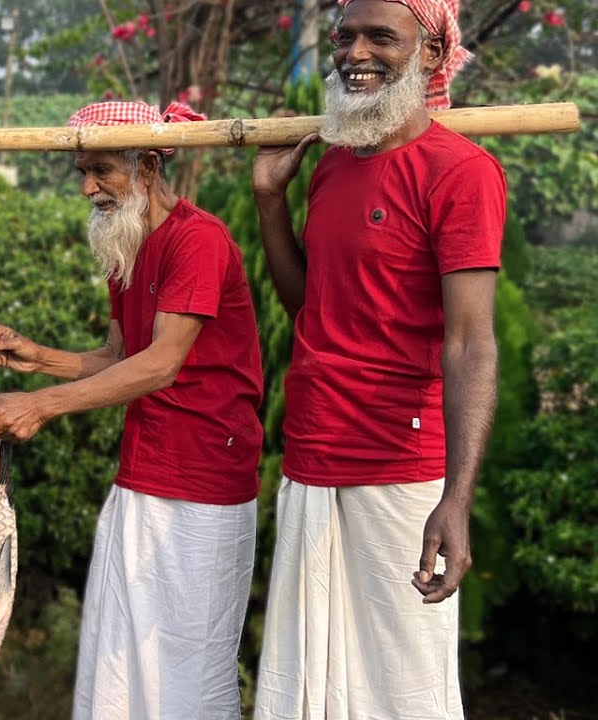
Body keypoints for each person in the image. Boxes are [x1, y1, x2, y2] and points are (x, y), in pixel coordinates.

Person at [250, 0, 505, 717]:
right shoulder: (333, 164)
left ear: (430, 54)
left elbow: (471, 342)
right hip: (312, 459)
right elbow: (313, 307)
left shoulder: (462, 173)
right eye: (345, 36)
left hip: (400, 474)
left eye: (380, 37)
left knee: (404, 692)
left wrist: (456, 499)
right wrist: (271, 207)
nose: (354, 51)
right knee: (312, 688)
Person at [0, 101, 265, 720]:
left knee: (191, 665)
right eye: (81, 171)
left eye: (101, 171)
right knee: (119, 658)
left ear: (150, 163)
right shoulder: (128, 239)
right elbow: (120, 354)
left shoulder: (198, 239)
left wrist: (43, 405)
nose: (87, 187)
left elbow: (162, 364)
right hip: (145, 470)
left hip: (206, 479)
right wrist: (42, 358)